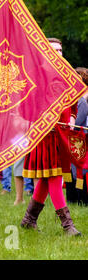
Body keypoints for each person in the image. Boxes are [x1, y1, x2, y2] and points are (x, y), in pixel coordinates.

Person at [21, 38, 81, 236]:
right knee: (54, 177)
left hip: (62, 135)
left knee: (47, 179)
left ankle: (29, 220)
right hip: (44, 136)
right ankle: (68, 226)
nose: (59, 53)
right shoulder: (35, 76)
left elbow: (73, 105)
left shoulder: (67, 76)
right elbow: (25, 106)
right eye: (54, 50)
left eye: (61, 50)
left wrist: (72, 118)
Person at [66, 67, 88, 205]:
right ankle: (73, 199)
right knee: (72, 171)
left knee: (80, 171)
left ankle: (81, 200)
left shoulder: (81, 100)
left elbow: (79, 120)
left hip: (81, 138)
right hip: (74, 138)